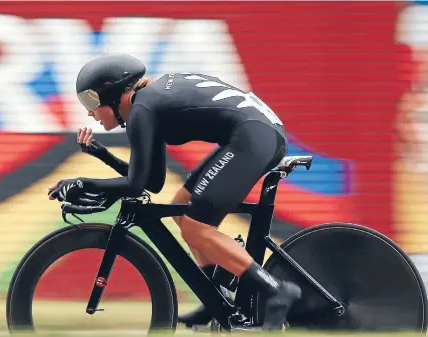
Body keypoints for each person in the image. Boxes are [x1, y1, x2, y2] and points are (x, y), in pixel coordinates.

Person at [48, 54, 302, 330]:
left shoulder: (142, 111)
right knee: (182, 206)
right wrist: (102, 155)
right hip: (256, 132)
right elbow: (151, 181)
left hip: (254, 136)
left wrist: (84, 183)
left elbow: (136, 185)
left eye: (91, 101)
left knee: (196, 227)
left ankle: (276, 290)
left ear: (112, 95)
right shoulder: (147, 105)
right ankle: (217, 296)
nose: (89, 112)